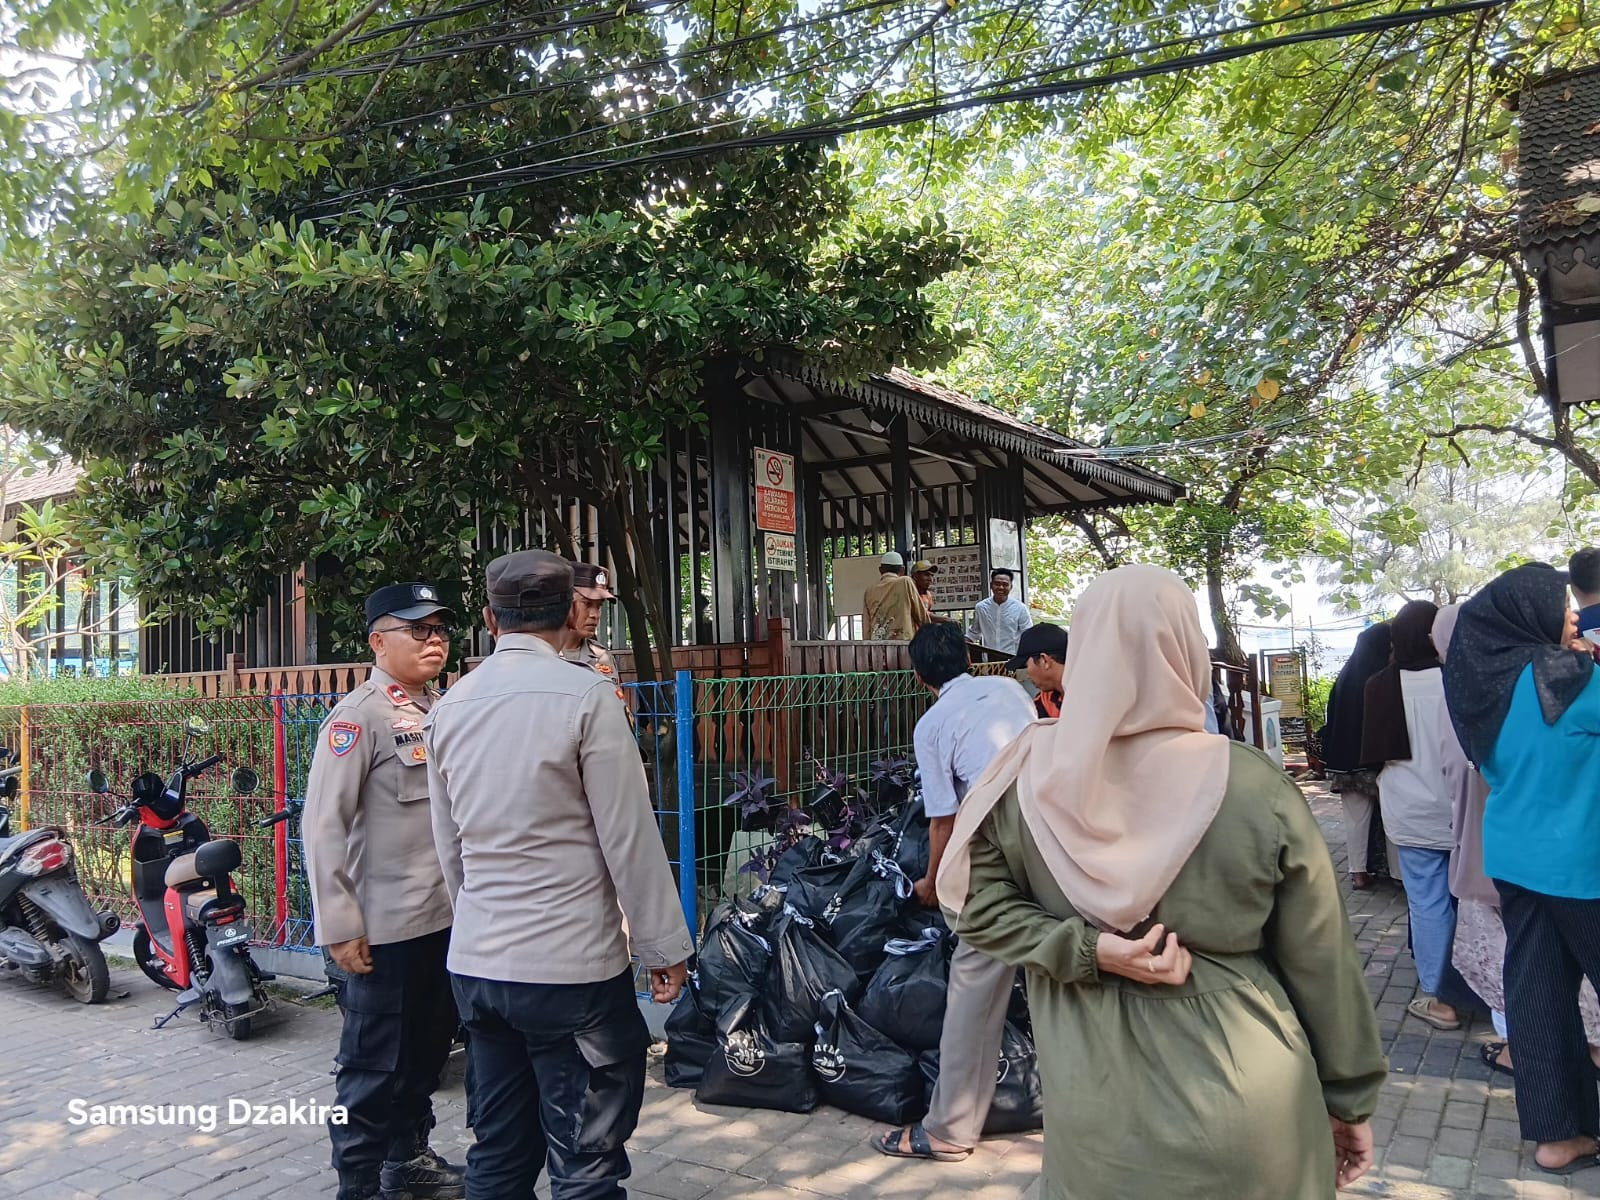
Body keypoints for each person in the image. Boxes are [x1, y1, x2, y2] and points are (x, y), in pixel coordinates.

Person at [936, 565, 1387, 1200]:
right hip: (1254, 1101)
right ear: (1186, 651)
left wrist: (1088, 949)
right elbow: (1322, 961)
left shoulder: (1024, 778)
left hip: (1098, 1119)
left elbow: (973, 908)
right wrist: (1349, 1097)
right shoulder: (1254, 784)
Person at [425, 550, 693, 1199]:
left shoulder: (449, 707)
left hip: (480, 968)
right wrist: (663, 946)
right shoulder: (587, 696)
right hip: (571, 972)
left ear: (491, 619)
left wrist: (479, 923)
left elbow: (449, 847)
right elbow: (628, 837)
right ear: (571, 613)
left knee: (498, 1154)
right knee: (585, 1162)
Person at [303, 582, 464, 1200]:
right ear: (378, 641)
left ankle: (408, 1158)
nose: (434, 640)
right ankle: (359, 1183)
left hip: (442, 920)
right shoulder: (358, 718)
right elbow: (324, 826)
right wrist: (341, 924)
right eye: (418, 629)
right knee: (372, 1067)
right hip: (384, 930)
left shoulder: (442, 709)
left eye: (440, 629)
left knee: (426, 1055)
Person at [1444, 562, 1600, 1175]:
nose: (1573, 616)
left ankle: (1558, 1138)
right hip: (1581, 864)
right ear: (1529, 614)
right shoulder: (1573, 681)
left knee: (1537, 994)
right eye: (1562, 606)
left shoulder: (1483, 686)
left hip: (1514, 859)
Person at [876, 622, 1035, 1163]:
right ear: (969, 657)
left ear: (920, 677)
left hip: (999, 843)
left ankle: (948, 1128)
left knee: (976, 976)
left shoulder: (932, 723)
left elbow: (942, 820)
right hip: (1056, 832)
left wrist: (932, 882)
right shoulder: (1010, 690)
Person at [1360, 599, 1460, 1032]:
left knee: (1427, 902)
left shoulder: (1379, 684)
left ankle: (1439, 996)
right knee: (1472, 903)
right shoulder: (1456, 680)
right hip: (1460, 808)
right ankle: (1481, 988)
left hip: (1408, 810)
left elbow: (1372, 755)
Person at [1319, 621, 1395, 890]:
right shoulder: (1382, 679)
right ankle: (1398, 874)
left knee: (1355, 820)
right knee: (1392, 818)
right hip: (1378, 762)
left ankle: (1358, 873)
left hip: (1345, 764)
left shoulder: (1344, 678)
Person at [863, 551, 927, 641]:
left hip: (878, 645)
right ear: (902, 570)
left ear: (880, 570)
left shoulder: (869, 590)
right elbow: (921, 615)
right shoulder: (905, 582)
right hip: (902, 644)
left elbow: (866, 627)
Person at [1008, 623, 1067, 718]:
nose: (1027, 674)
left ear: (1044, 660)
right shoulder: (1045, 700)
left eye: (1026, 666)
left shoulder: (1088, 695)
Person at [968, 568, 1032, 655]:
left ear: (1011, 587)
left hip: (1013, 658)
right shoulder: (981, 607)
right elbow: (973, 633)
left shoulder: (1020, 608)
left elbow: (1028, 635)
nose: (1001, 587)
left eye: (1005, 584)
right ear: (991, 585)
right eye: (997, 584)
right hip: (990, 659)